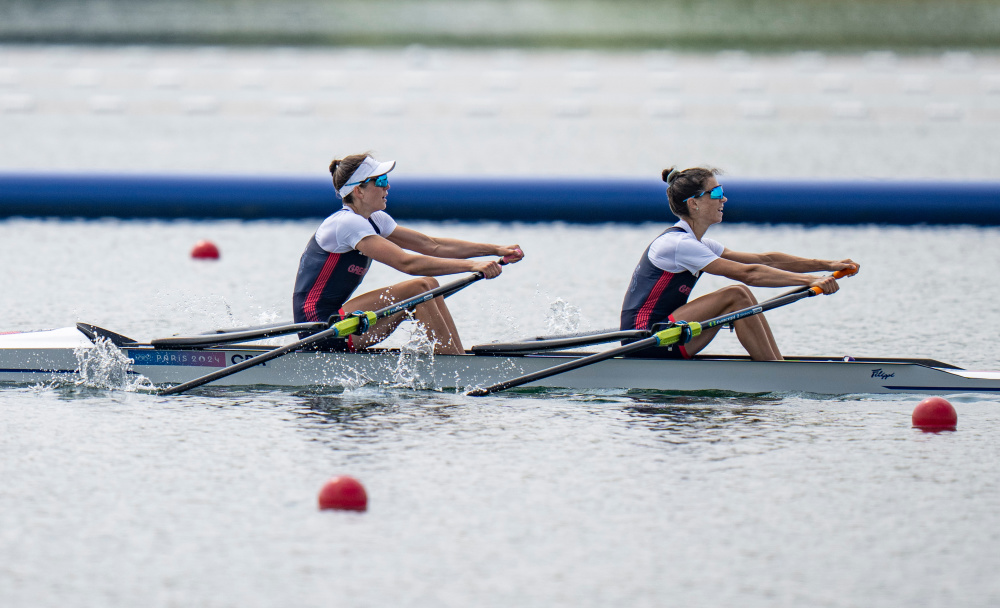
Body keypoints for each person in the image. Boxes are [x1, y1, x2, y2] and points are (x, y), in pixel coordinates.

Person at [293, 153, 523, 354]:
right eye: (381, 181)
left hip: (345, 323)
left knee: (429, 285)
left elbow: (432, 245)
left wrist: (496, 250)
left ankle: (454, 357)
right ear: (358, 191)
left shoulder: (375, 220)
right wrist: (473, 266)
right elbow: (407, 263)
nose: (387, 187)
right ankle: (455, 367)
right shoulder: (346, 224)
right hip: (321, 328)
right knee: (420, 287)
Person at [620, 166, 858, 361]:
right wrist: (811, 281)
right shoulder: (678, 244)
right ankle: (776, 372)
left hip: (670, 333)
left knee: (739, 296)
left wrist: (827, 265)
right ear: (694, 203)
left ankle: (777, 366)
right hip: (646, 339)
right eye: (715, 193)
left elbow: (765, 260)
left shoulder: (699, 243)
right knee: (737, 294)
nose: (723, 198)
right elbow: (750, 274)